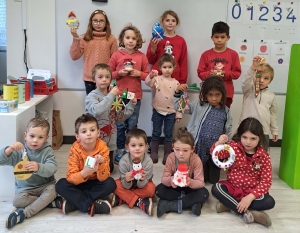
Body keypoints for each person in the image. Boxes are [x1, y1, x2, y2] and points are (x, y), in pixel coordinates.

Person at [211, 117, 275, 227]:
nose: (248, 142)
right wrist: (218, 144)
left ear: (259, 138)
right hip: (233, 188)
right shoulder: (233, 147)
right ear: (240, 135)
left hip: (251, 192)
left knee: (269, 202)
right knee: (216, 188)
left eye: (253, 138)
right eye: (244, 137)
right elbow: (217, 155)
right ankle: (247, 213)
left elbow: (266, 182)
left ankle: (229, 205)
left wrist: (250, 197)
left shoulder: (264, 156)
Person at [0, 118, 60, 229]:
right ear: (25, 135)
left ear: (46, 138)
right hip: (25, 189)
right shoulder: (19, 151)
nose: (35, 141)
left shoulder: (47, 151)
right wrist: (9, 150)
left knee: (55, 188)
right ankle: (48, 202)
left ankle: (24, 214)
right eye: (32, 136)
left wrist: (39, 167)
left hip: (44, 186)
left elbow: (53, 168)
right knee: (17, 201)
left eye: (40, 137)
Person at [174, 76, 232, 184]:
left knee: (214, 180)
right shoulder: (198, 105)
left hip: (216, 149)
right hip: (200, 147)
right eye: (210, 95)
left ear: (222, 95)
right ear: (205, 94)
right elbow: (180, 107)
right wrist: (177, 93)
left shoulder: (226, 111)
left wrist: (227, 144)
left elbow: (229, 130)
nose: (214, 98)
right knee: (202, 178)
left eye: (217, 95)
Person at [55, 114, 116, 217]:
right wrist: (84, 173)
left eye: (92, 130)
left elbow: (104, 177)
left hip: (95, 182)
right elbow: (71, 177)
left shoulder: (103, 148)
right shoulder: (74, 150)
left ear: (98, 133)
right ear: (77, 136)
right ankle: (90, 205)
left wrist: (101, 164)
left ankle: (76, 203)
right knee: (60, 185)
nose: (89, 134)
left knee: (111, 183)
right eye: (84, 131)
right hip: (79, 183)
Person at [108, 24, 149, 164]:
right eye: (127, 37)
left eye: (133, 38)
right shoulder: (116, 55)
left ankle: (130, 150)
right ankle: (120, 149)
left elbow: (147, 76)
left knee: (132, 125)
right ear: (122, 39)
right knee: (119, 125)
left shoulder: (142, 57)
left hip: (135, 97)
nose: (130, 40)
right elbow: (108, 74)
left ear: (138, 40)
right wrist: (118, 74)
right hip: (119, 97)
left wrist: (139, 74)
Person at [85, 63, 137, 172]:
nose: (104, 80)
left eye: (107, 77)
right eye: (100, 77)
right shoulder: (92, 96)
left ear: (111, 80)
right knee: (92, 169)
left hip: (109, 141)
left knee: (109, 169)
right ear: (94, 79)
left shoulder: (113, 96)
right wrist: (111, 95)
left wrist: (131, 105)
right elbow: (96, 111)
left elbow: (120, 117)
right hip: (94, 142)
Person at [156, 127, 209, 217]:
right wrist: (171, 180)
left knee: (204, 193)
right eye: (177, 149)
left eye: (185, 150)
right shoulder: (171, 158)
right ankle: (192, 204)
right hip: (175, 187)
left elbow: (200, 183)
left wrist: (190, 182)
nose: (181, 153)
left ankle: (171, 205)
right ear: (173, 147)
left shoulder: (196, 160)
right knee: (159, 190)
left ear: (192, 149)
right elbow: (164, 179)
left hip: (189, 188)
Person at [145, 53, 186, 164]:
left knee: (168, 133)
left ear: (174, 68)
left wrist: (179, 114)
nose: (167, 70)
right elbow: (148, 83)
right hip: (158, 110)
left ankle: (167, 154)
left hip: (171, 112)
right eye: (164, 67)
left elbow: (180, 100)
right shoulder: (157, 79)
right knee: (156, 132)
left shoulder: (176, 83)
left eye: (169, 67)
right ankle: (154, 152)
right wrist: (151, 76)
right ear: (160, 68)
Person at [69, 9, 118, 94]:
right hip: (89, 79)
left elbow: (115, 61)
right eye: (95, 20)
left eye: (101, 21)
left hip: (105, 79)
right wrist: (76, 38)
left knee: (106, 104)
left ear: (106, 23)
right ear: (91, 22)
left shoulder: (111, 39)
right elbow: (74, 56)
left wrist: (113, 79)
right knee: (91, 105)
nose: (98, 23)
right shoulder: (85, 38)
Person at [111, 129, 155, 216]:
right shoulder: (123, 161)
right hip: (127, 185)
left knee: (151, 189)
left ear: (146, 146)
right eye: (133, 145)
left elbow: (143, 184)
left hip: (142, 185)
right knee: (114, 185)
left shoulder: (148, 162)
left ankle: (123, 198)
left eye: (141, 145)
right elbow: (124, 184)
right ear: (127, 147)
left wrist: (142, 180)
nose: (137, 148)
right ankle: (139, 201)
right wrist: (127, 180)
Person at [197, 21, 241, 108]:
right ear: (212, 37)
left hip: (226, 93)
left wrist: (224, 74)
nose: (219, 40)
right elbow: (200, 73)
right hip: (209, 94)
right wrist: (210, 74)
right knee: (208, 118)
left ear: (228, 38)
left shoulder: (233, 54)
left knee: (223, 118)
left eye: (222, 37)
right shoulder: (205, 54)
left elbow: (237, 73)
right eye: (216, 37)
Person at [239, 56, 278, 150]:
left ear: (270, 81)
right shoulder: (248, 90)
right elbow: (245, 82)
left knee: (262, 155)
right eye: (258, 76)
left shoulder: (271, 96)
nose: (261, 80)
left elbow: (273, 114)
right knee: (241, 154)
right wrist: (253, 68)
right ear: (253, 77)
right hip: (245, 129)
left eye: (266, 78)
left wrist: (275, 130)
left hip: (263, 131)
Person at [146, 10, 188, 84]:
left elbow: (183, 62)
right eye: (167, 20)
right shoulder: (156, 39)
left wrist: (182, 81)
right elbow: (150, 61)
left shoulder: (181, 41)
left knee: (174, 96)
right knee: (158, 96)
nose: (170, 23)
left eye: (173, 20)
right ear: (162, 22)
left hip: (175, 78)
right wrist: (153, 48)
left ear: (176, 23)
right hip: (157, 77)